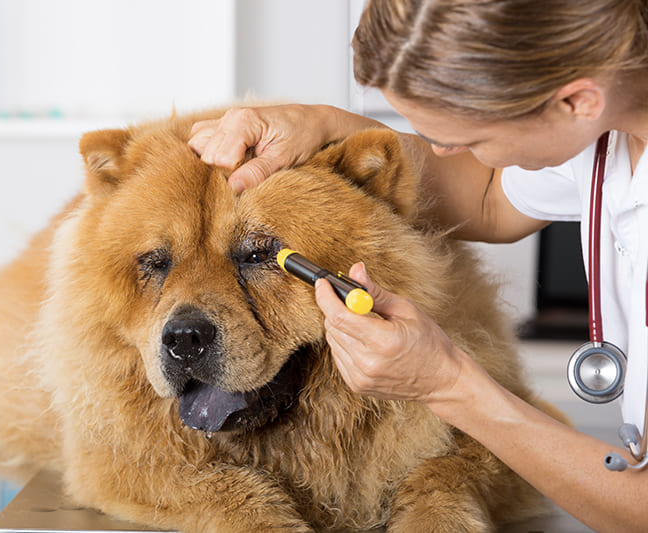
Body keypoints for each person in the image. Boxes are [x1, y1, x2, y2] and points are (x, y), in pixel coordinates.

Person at [187, 1, 648, 531]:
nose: (442, 151)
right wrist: (319, 125)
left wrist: (445, 385)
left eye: (470, 139)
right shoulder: (606, 128)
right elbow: (488, 196)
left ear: (577, 100)